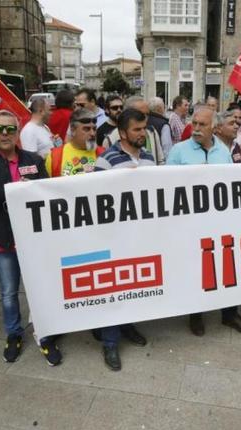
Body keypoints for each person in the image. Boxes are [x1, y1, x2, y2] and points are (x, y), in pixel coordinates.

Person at [0, 111, 63, 366]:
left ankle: (46, 334)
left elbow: (46, 194)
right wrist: (10, 191)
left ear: (18, 132)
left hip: (33, 240)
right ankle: (13, 334)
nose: (5, 134)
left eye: (10, 129)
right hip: (0, 239)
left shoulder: (32, 159)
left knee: (40, 290)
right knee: (8, 293)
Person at [167, 105, 241, 337]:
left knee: (228, 267)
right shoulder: (178, 151)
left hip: (221, 223)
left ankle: (230, 314)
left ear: (214, 128)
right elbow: (167, 189)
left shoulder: (223, 153)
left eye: (201, 125)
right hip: (192, 224)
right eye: (194, 123)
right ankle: (196, 314)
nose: (195, 128)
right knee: (198, 269)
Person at [84, 109, 156, 371]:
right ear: (123, 132)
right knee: (113, 290)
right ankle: (110, 343)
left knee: (133, 286)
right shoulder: (106, 160)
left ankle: (128, 326)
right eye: (137, 130)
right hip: (114, 238)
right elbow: (96, 199)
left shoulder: (149, 157)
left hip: (141, 237)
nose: (143, 134)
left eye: (144, 128)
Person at [103, 96, 165, 164]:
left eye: (147, 114)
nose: (145, 118)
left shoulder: (152, 132)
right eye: (140, 114)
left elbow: (160, 161)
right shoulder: (110, 138)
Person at [45, 108, 103, 177]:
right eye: (86, 129)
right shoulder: (55, 157)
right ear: (73, 130)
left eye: (94, 129)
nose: (92, 133)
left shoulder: (103, 154)